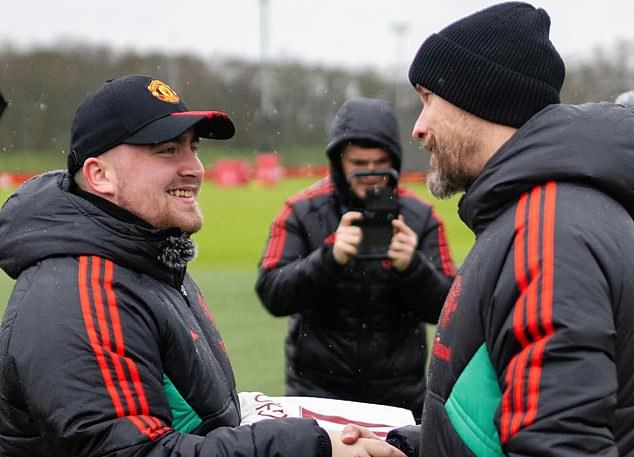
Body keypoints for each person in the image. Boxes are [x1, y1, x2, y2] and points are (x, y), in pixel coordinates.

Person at [0, 74, 406, 457]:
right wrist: (307, 445)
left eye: (193, 147)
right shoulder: (82, 292)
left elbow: (201, 418)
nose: (194, 167)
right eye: (167, 150)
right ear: (100, 174)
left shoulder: (148, 257)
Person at [405, 2, 634, 455]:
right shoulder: (539, 214)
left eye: (428, 100)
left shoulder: (549, 234)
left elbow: (561, 443)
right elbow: (500, 415)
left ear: (481, 99)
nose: (418, 128)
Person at [255, 97, 456, 420]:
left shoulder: (421, 216)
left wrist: (412, 266)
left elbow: (448, 310)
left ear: (396, 159)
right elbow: (273, 294)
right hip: (317, 393)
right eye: (359, 164)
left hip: (400, 398)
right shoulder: (302, 210)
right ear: (339, 162)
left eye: (381, 162)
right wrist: (329, 258)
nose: (371, 174)